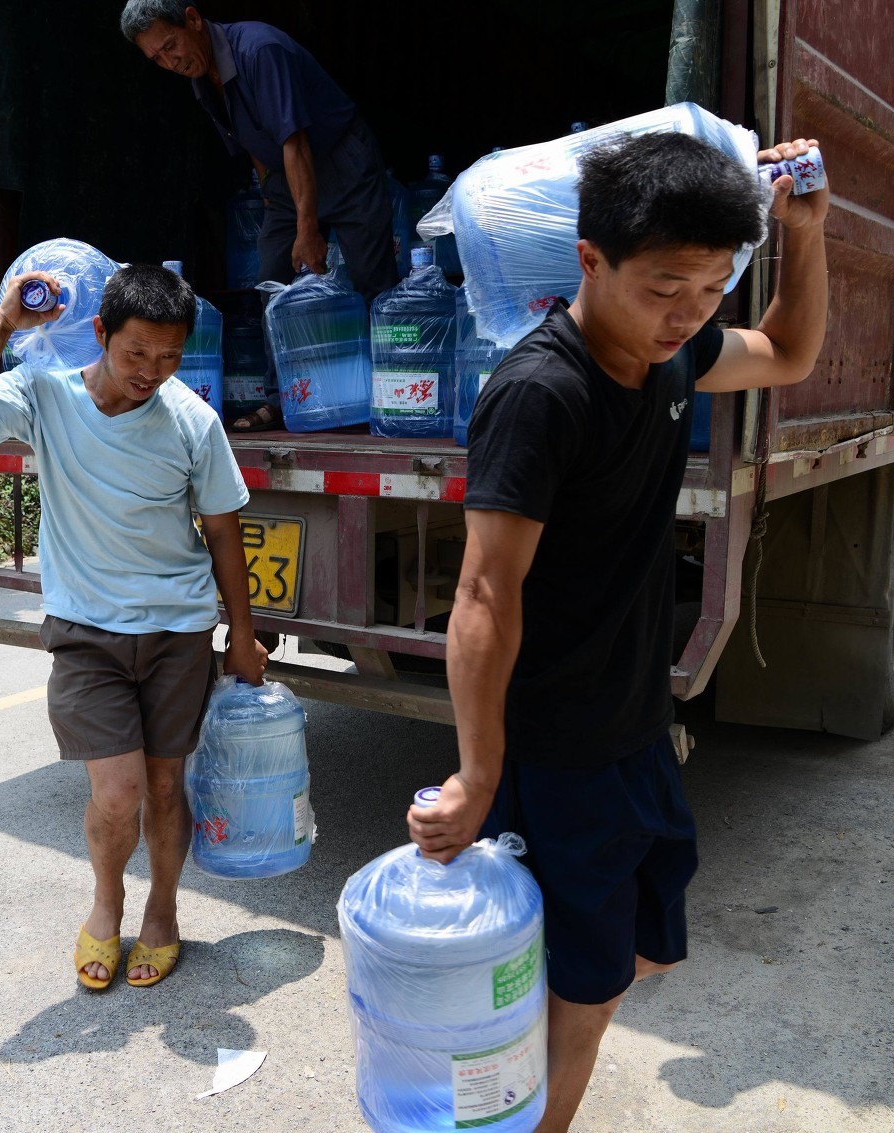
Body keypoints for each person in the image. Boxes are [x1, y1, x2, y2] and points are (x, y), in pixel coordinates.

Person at [406, 132, 829, 1131]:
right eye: (663, 286)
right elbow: (481, 594)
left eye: (713, 287)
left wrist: (803, 235)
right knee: (582, 986)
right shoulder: (539, 392)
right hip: (556, 751)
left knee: (633, 951)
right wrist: (474, 772)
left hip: (632, 728)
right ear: (588, 260)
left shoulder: (670, 354)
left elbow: (789, 353)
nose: (687, 313)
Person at [0, 263, 269, 990]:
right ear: (100, 333)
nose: (153, 370)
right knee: (116, 791)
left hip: (177, 629)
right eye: (136, 352)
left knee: (166, 786)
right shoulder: (44, 394)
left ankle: (164, 911)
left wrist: (241, 633)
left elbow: (221, 530)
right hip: (86, 631)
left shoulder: (191, 420)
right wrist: (0, 324)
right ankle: (107, 901)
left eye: (170, 355)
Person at [120, 1, 400, 431]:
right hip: (285, 179)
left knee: (370, 279)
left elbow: (296, 142)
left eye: (171, 46)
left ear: (193, 20)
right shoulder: (201, 76)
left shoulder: (259, 51)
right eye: (157, 58)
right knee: (272, 279)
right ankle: (284, 400)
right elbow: (252, 139)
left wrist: (307, 229)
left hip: (341, 162)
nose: (170, 62)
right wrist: (273, 197)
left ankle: (388, 400)